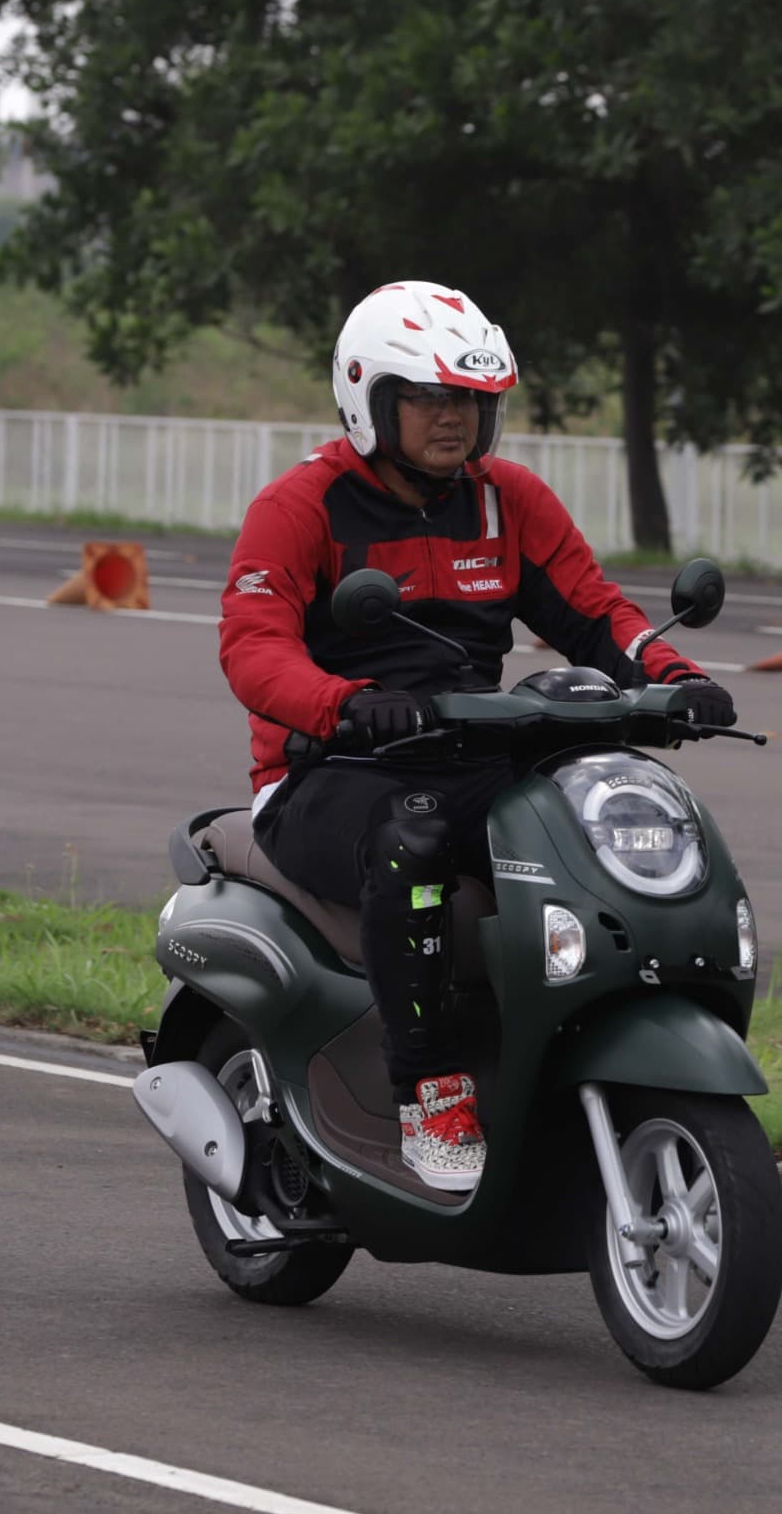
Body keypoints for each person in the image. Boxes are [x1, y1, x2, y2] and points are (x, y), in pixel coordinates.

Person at [219, 281, 737, 1192]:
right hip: (329, 771)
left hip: (467, 751)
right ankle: (431, 1091)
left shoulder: (508, 500)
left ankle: (572, 1047)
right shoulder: (301, 507)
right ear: (369, 398)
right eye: (428, 397)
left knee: (602, 811)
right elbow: (254, 651)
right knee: (409, 842)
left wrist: (674, 678)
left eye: (470, 400)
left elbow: (594, 613)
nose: (453, 419)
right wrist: (348, 701)